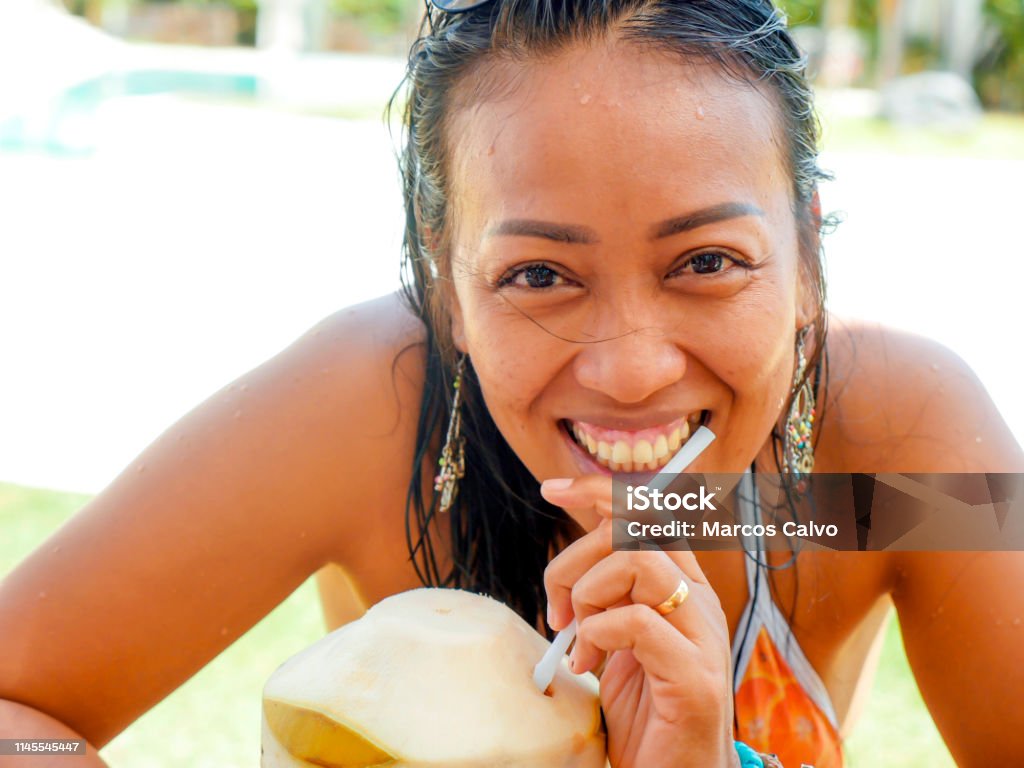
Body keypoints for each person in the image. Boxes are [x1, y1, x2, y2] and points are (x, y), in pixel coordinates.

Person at [2, 1, 1022, 766]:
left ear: (805, 249)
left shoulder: (902, 451)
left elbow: (861, 520)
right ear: (447, 284)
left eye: (707, 262)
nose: (630, 367)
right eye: (539, 275)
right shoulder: (366, 409)